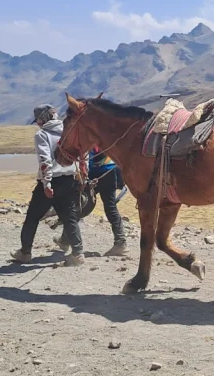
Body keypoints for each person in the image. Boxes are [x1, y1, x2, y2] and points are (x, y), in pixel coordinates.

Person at [10, 104, 85, 267]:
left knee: (32, 217)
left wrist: (47, 183)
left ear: (43, 118)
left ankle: (25, 252)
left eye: (38, 120)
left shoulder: (42, 135)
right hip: (69, 180)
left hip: (51, 181)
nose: (37, 123)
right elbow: (82, 155)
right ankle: (78, 254)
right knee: (70, 218)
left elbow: (45, 161)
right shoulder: (69, 131)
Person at [54, 147, 128, 256]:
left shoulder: (88, 135)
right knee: (110, 206)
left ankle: (65, 240)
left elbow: (86, 158)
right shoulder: (106, 134)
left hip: (94, 172)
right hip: (111, 170)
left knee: (78, 205)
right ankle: (120, 241)